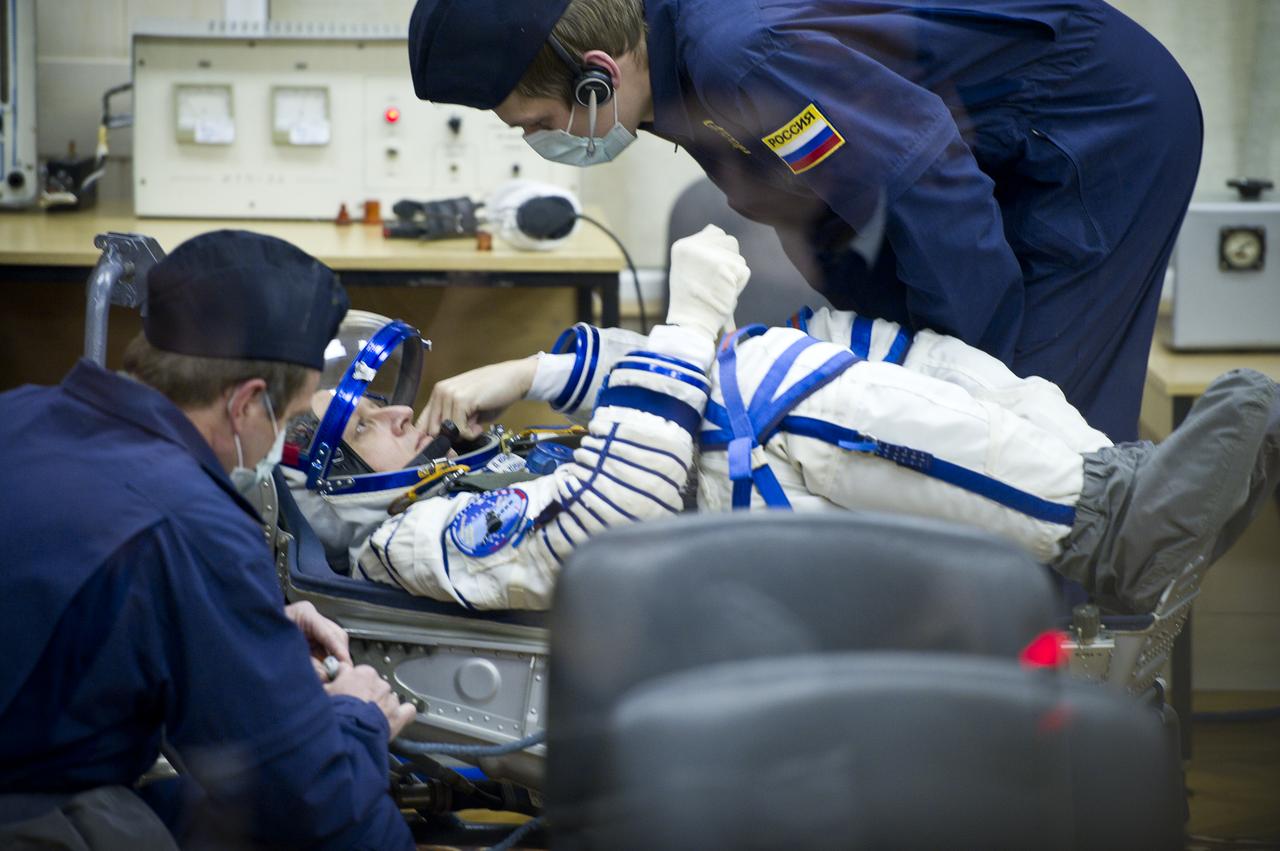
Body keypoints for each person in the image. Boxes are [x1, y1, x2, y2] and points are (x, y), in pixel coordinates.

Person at [285, 226, 1280, 617]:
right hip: (713, 553)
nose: (383, 404)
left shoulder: (460, 481)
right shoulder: (415, 538)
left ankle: (1113, 479)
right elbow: (606, 519)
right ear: (336, 482)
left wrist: (540, 366)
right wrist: (684, 321)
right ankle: (1110, 529)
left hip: (724, 504)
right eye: (356, 418)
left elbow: (648, 414)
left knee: (831, 348)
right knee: (777, 402)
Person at [406, 0, 1203, 443]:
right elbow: (834, 207)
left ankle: (1058, 694)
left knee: (1033, 444)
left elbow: (929, 192)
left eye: (535, 121)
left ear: (596, 76)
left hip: (1095, 131)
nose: (543, 144)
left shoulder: (739, 55)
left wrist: (962, 388)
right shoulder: (675, 77)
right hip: (984, 154)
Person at [0, 231, 415, 849]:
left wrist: (250, 617)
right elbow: (316, 805)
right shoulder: (192, 523)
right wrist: (357, 717)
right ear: (249, 404)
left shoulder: (22, 413)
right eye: (294, 413)